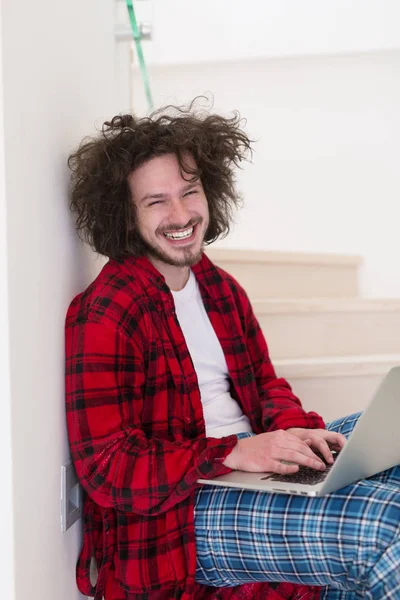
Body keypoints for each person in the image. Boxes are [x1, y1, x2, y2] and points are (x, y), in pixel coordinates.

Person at [65, 101, 400, 600]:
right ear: (124, 214)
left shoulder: (218, 287)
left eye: (189, 192)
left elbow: (265, 385)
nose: (181, 215)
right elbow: (109, 468)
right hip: (185, 512)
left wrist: (292, 430)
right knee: (384, 531)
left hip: (252, 466)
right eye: (156, 202)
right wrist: (237, 452)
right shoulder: (106, 313)